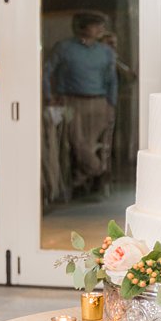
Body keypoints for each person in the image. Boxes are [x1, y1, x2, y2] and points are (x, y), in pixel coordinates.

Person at [43, 12, 118, 198]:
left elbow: (112, 80)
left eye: (102, 26)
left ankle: (79, 179)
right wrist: (48, 96)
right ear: (83, 28)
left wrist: (111, 104)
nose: (100, 29)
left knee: (91, 143)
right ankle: (96, 170)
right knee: (77, 142)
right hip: (70, 102)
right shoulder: (64, 48)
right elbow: (46, 71)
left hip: (99, 102)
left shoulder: (106, 52)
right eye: (96, 25)